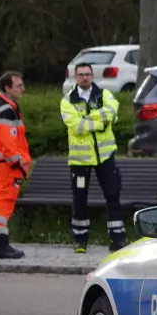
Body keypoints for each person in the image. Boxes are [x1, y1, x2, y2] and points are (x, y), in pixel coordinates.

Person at [61, 62, 126, 254]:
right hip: (80, 161)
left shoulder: (104, 95)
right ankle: (80, 240)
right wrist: (100, 123)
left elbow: (113, 111)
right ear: (75, 77)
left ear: (92, 76)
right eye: (81, 75)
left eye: (88, 74)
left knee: (113, 195)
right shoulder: (67, 100)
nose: (84, 78)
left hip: (105, 157)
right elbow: (76, 127)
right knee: (79, 199)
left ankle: (117, 239)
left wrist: (89, 118)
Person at [0, 70, 31, 260]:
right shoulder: (6, 109)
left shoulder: (2, 105)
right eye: (18, 85)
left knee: (1, 201)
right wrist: (19, 164)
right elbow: (9, 143)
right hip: (7, 164)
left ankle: (1, 244)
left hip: (0, 162)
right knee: (4, 202)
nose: (22, 88)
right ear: (7, 88)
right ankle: (1, 245)